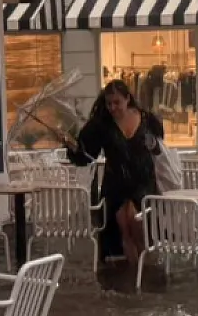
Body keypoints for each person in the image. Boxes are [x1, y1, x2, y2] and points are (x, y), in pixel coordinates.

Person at [67, 80, 164, 268]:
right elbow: (86, 155)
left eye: (117, 102)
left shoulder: (146, 119)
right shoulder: (101, 125)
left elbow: (160, 145)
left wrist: (152, 144)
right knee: (124, 229)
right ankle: (134, 271)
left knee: (139, 228)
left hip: (142, 183)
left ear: (127, 99)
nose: (112, 107)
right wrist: (73, 147)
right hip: (116, 185)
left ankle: (147, 268)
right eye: (109, 103)